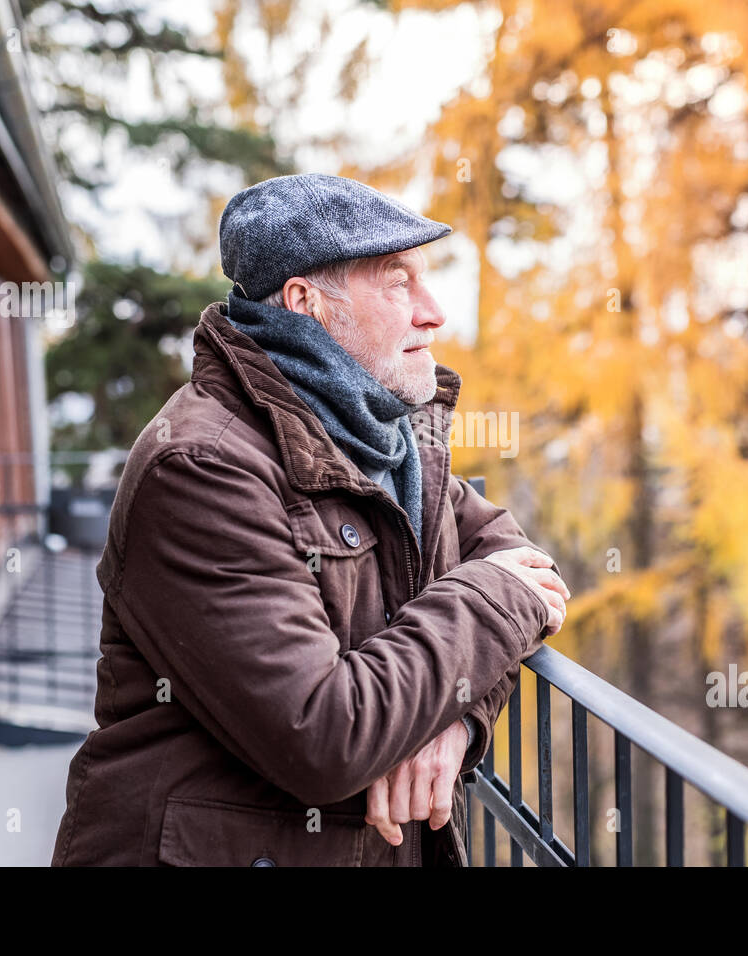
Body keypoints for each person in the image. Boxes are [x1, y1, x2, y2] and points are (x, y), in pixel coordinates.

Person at [51, 173, 570, 866]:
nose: (434, 312)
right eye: (396, 283)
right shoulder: (203, 468)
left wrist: (457, 724)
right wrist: (497, 602)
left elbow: (512, 558)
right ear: (306, 303)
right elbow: (325, 734)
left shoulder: (384, 441)